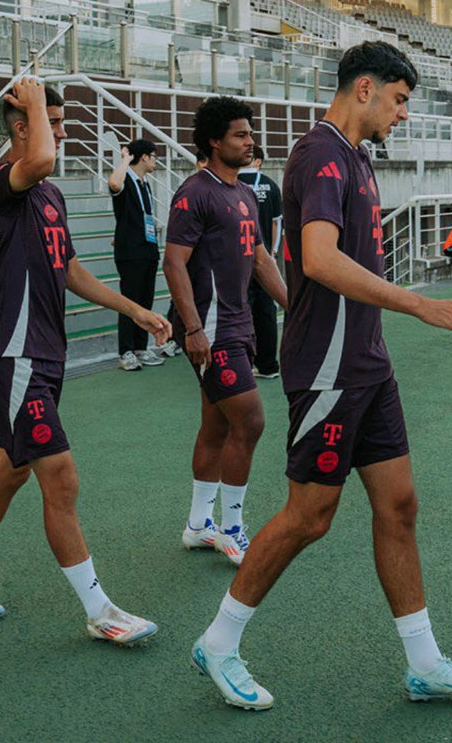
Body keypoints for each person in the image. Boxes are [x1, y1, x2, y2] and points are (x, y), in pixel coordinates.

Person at [191, 41, 452, 712]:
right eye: (398, 100)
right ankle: (218, 642)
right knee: (309, 517)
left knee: (399, 505)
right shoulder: (321, 153)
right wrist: (421, 303)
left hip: (367, 364)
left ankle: (424, 663)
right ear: (365, 88)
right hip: (329, 369)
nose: (402, 115)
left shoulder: (357, 156)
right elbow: (322, 261)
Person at [0, 78, 170, 644]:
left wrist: (134, 308)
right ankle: (101, 611)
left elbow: (69, 269)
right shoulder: (1, 184)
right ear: (21, 127)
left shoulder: (50, 195)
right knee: (59, 478)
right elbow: (37, 155)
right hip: (14, 356)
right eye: (54, 124)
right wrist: (33, 101)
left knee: (10, 469)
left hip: (45, 353)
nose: (61, 135)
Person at [161, 96, 287, 566]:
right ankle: (233, 529)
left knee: (215, 426)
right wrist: (192, 328)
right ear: (214, 141)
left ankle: (198, 525)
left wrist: (295, 307)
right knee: (250, 420)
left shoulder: (244, 194)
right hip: (212, 330)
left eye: (250, 133)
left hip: (240, 324)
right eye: (240, 134)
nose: (250, 141)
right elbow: (174, 262)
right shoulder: (195, 192)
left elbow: (260, 258)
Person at [109, 137, 167, 371]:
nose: (156, 162)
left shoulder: (145, 183)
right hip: (131, 250)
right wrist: (125, 159)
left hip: (147, 248)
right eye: (154, 157)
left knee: (145, 301)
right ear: (143, 157)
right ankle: (126, 351)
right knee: (130, 301)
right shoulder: (125, 179)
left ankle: (141, 348)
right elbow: (113, 184)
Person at [238, 154, 283, 379]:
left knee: (240, 311)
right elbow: (277, 222)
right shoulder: (271, 185)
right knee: (266, 311)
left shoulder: (230, 184)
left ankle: (242, 364)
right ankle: (268, 365)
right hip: (265, 259)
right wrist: (272, 252)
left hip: (238, 261)